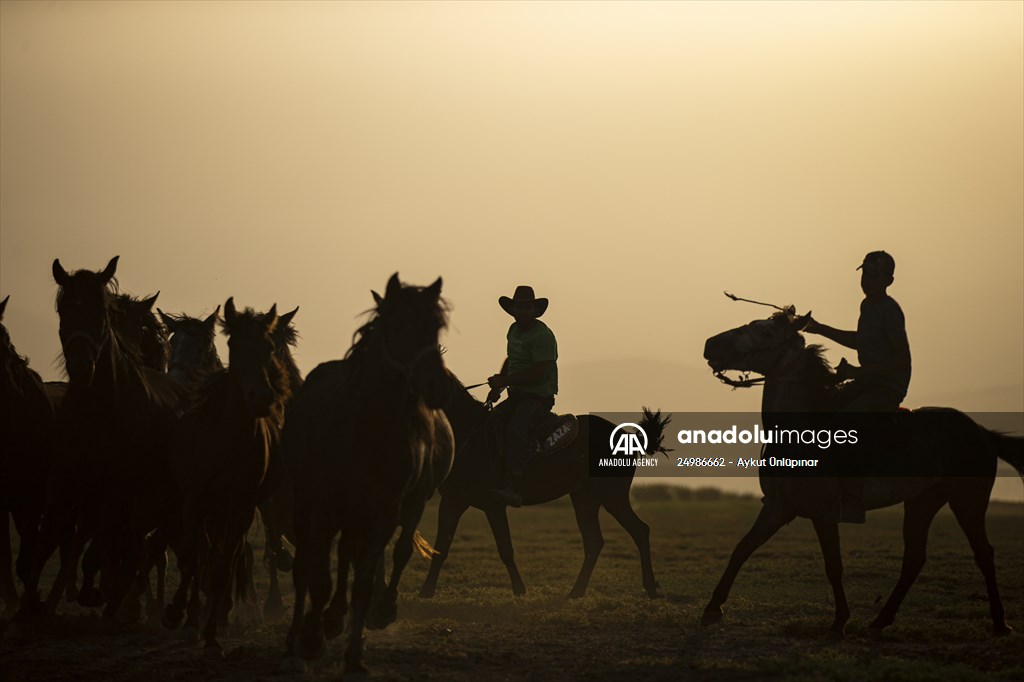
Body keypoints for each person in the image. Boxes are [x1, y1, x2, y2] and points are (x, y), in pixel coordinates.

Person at [805, 251, 912, 522]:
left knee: (842, 428)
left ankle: (852, 500)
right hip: (867, 383)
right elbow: (861, 340)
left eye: (874, 276)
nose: (867, 281)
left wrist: (857, 372)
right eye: (865, 274)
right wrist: (819, 329)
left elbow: (901, 360)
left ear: (889, 280)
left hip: (885, 389)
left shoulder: (889, 310)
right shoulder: (868, 306)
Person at [487, 285, 558, 507]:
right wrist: (500, 383)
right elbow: (512, 360)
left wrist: (505, 381)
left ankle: (515, 486)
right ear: (513, 309)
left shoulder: (542, 335)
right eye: (519, 307)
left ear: (534, 310)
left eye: (527, 307)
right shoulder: (513, 330)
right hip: (517, 395)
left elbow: (540, 371)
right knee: (488, 423)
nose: (523, 311)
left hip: (538, 397)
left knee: (516, 430)